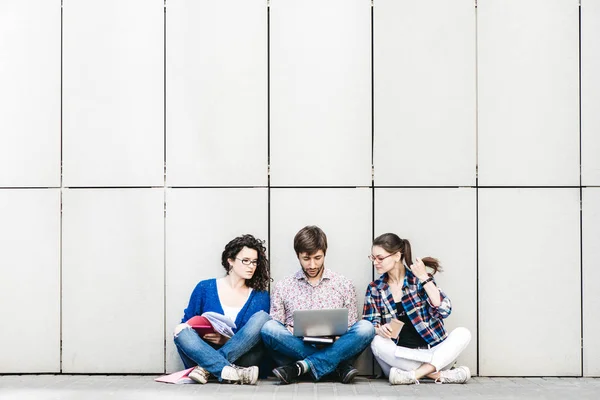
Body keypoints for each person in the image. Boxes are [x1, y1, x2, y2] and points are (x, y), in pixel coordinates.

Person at [261, 225, 375, 384]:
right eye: (306, 259)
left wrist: (338, 336)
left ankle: (301, 368)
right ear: (298, 256)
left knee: (366, 328)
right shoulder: (284, 286)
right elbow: (276, 325)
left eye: (318, 258)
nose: (312, 265)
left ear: (325, 253)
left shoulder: (343, 284)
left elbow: (351, 327)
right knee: (269, 328)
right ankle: (335, 367)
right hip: (297, 345)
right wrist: (290, 329)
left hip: (334, 343)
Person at [363, 233, 471, 385]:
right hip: (400, 358)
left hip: (433, 353)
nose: (375, 262)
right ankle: (439, 375)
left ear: (396, 255)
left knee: (463, 333)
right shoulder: (375, 288)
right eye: (373, 258)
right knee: (376, 341)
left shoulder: (418, 280)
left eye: (380, 258)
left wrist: (424, 279)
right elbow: (369, 325)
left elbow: (444, 310)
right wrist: (379, 329)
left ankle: (414, 375)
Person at [173, 234, 272, 385]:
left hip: (242, 358)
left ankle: (208, 370)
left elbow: (256, 338)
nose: (251, 266)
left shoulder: (260, 295)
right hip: (203, 352)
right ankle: (232, 372)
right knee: (181, 330)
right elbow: (188, 324)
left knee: (263, 318)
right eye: (245, 261)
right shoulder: (205, 288)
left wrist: (227, 340)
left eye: (254, 262)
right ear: (230, 260)